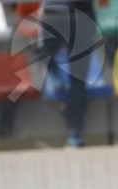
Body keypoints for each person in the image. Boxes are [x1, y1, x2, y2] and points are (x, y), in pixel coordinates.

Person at [36, 0, 106, 147]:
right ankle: (74, 132)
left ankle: (74, 131)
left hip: (63, 15)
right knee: (77, 81)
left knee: (77, 80)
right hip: (73, 16)